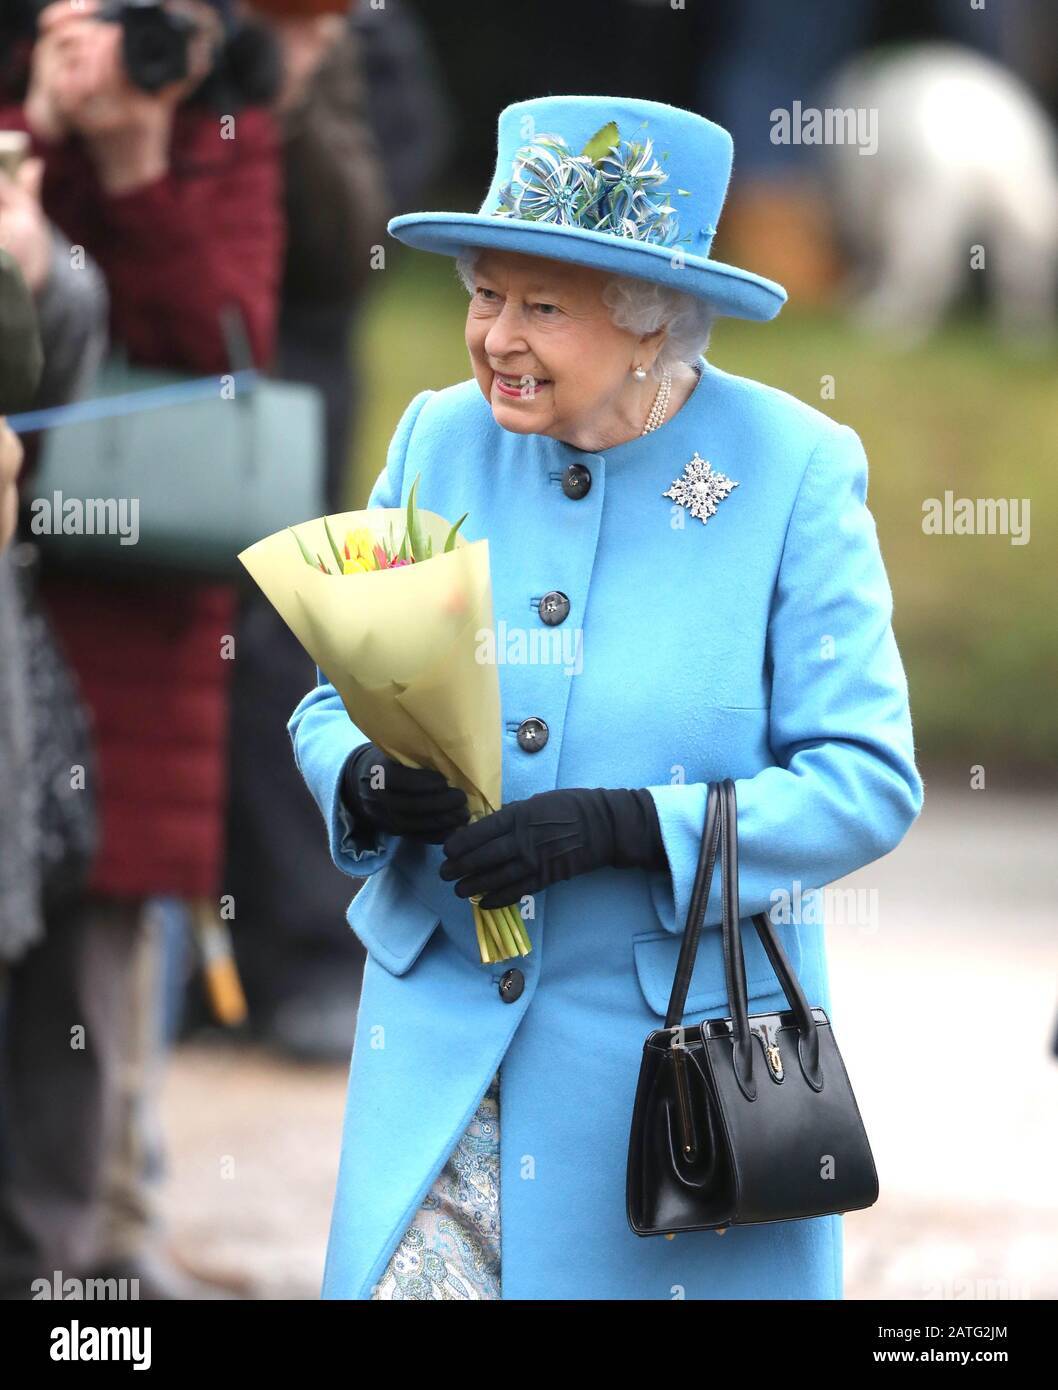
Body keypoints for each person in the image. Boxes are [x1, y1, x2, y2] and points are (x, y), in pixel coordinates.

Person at [291, 93, 924, 1300]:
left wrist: (630, 827)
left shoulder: (788, 471)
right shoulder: (438, 440)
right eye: (483, 293)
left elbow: (865, 781)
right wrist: (367, 776)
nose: (493, 338)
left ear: (650, 324)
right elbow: (331, 697)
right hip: (442, 1061)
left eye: (541, 306)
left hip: (664, 1086)